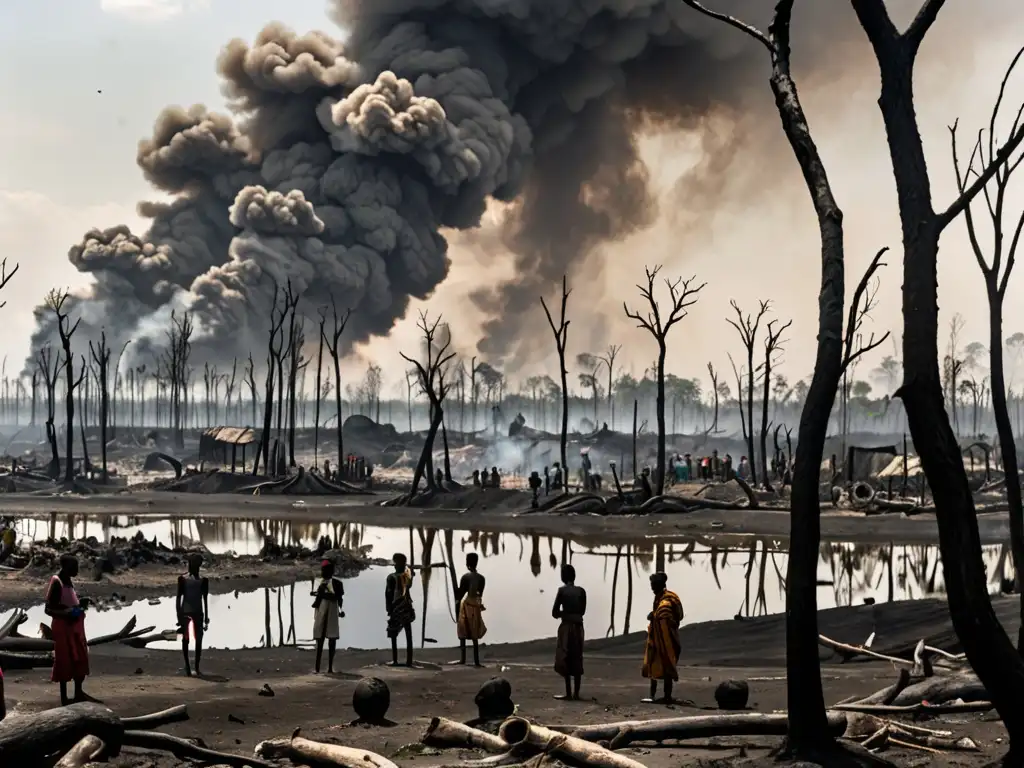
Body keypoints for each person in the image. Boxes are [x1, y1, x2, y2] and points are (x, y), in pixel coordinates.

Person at [46, 554, 92, 705]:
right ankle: (65, 699)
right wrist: (68, 613)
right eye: (74, 568)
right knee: (64, 660)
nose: (77, 571)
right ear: (65, 568)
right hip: (63, 627)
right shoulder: (57, 582)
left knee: (79, 657)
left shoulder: (67, 580)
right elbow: (48, 609)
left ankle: (78, 693)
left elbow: (67, 601)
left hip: (74, 627)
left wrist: (80, 603)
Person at [642, 572, 683, 704]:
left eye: (653, 585)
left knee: (667, 664)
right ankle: (652, 695)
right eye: (651, 585)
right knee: (653, 663)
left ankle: (667, 696)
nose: (651, 588)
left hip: (667, 638)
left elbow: (669, 615)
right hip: (657, 637)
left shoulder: (667, 600)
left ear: (660, 585)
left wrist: (654, 616)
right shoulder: (661, 597)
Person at [552, 564, 586, 701]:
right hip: (578, 626)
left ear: (563, 577)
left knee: (565, 655)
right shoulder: (581, 591)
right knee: (577, 656)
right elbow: (583, 611)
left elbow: (554, 612)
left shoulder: (562, 591)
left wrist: (564, 614)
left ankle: (568, 692)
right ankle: (576, 693)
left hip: (566, 627)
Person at [175, 553, 210, 677]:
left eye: (194, 564)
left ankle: (196, 667)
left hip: (198, 612)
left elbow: (205, 599)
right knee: (186, 639)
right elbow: (178, 598)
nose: (192, 567)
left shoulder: (203, 581)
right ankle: (188, 666)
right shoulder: (183, 579)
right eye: (191, 564)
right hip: (186, 612)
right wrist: (178, 614)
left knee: (198, 639)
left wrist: (206, 617)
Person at [311, 559, 345, 674]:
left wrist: (340, 610)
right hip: (322, 611)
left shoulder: (337, 584)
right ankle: (317, 668)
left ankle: (329, 667)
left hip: (332, 611)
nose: (322, 572)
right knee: (320, 638)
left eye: (323, 570)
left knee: (331, 638)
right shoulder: (322, 583)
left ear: (329, 571)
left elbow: (338, 598)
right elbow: (320, 599)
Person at [456, 553, 487, 666]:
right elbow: (479, 594)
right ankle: (476, 661)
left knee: (462, 630)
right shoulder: (481, 578)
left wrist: (456, 592)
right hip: (476, 605)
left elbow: (461, 594)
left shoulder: (466, 577)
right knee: (474, 633)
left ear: (467, 563)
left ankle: (463, 659)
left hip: (467, 604)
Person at [385, 553, 416, 666]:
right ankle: (408, 660)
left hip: (398, 606)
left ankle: (396, 660)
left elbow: (388, 593)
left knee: (394, 633)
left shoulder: (393, 577)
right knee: (407, 632)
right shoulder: (405, 576)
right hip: (405, 606)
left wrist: (389, 607)